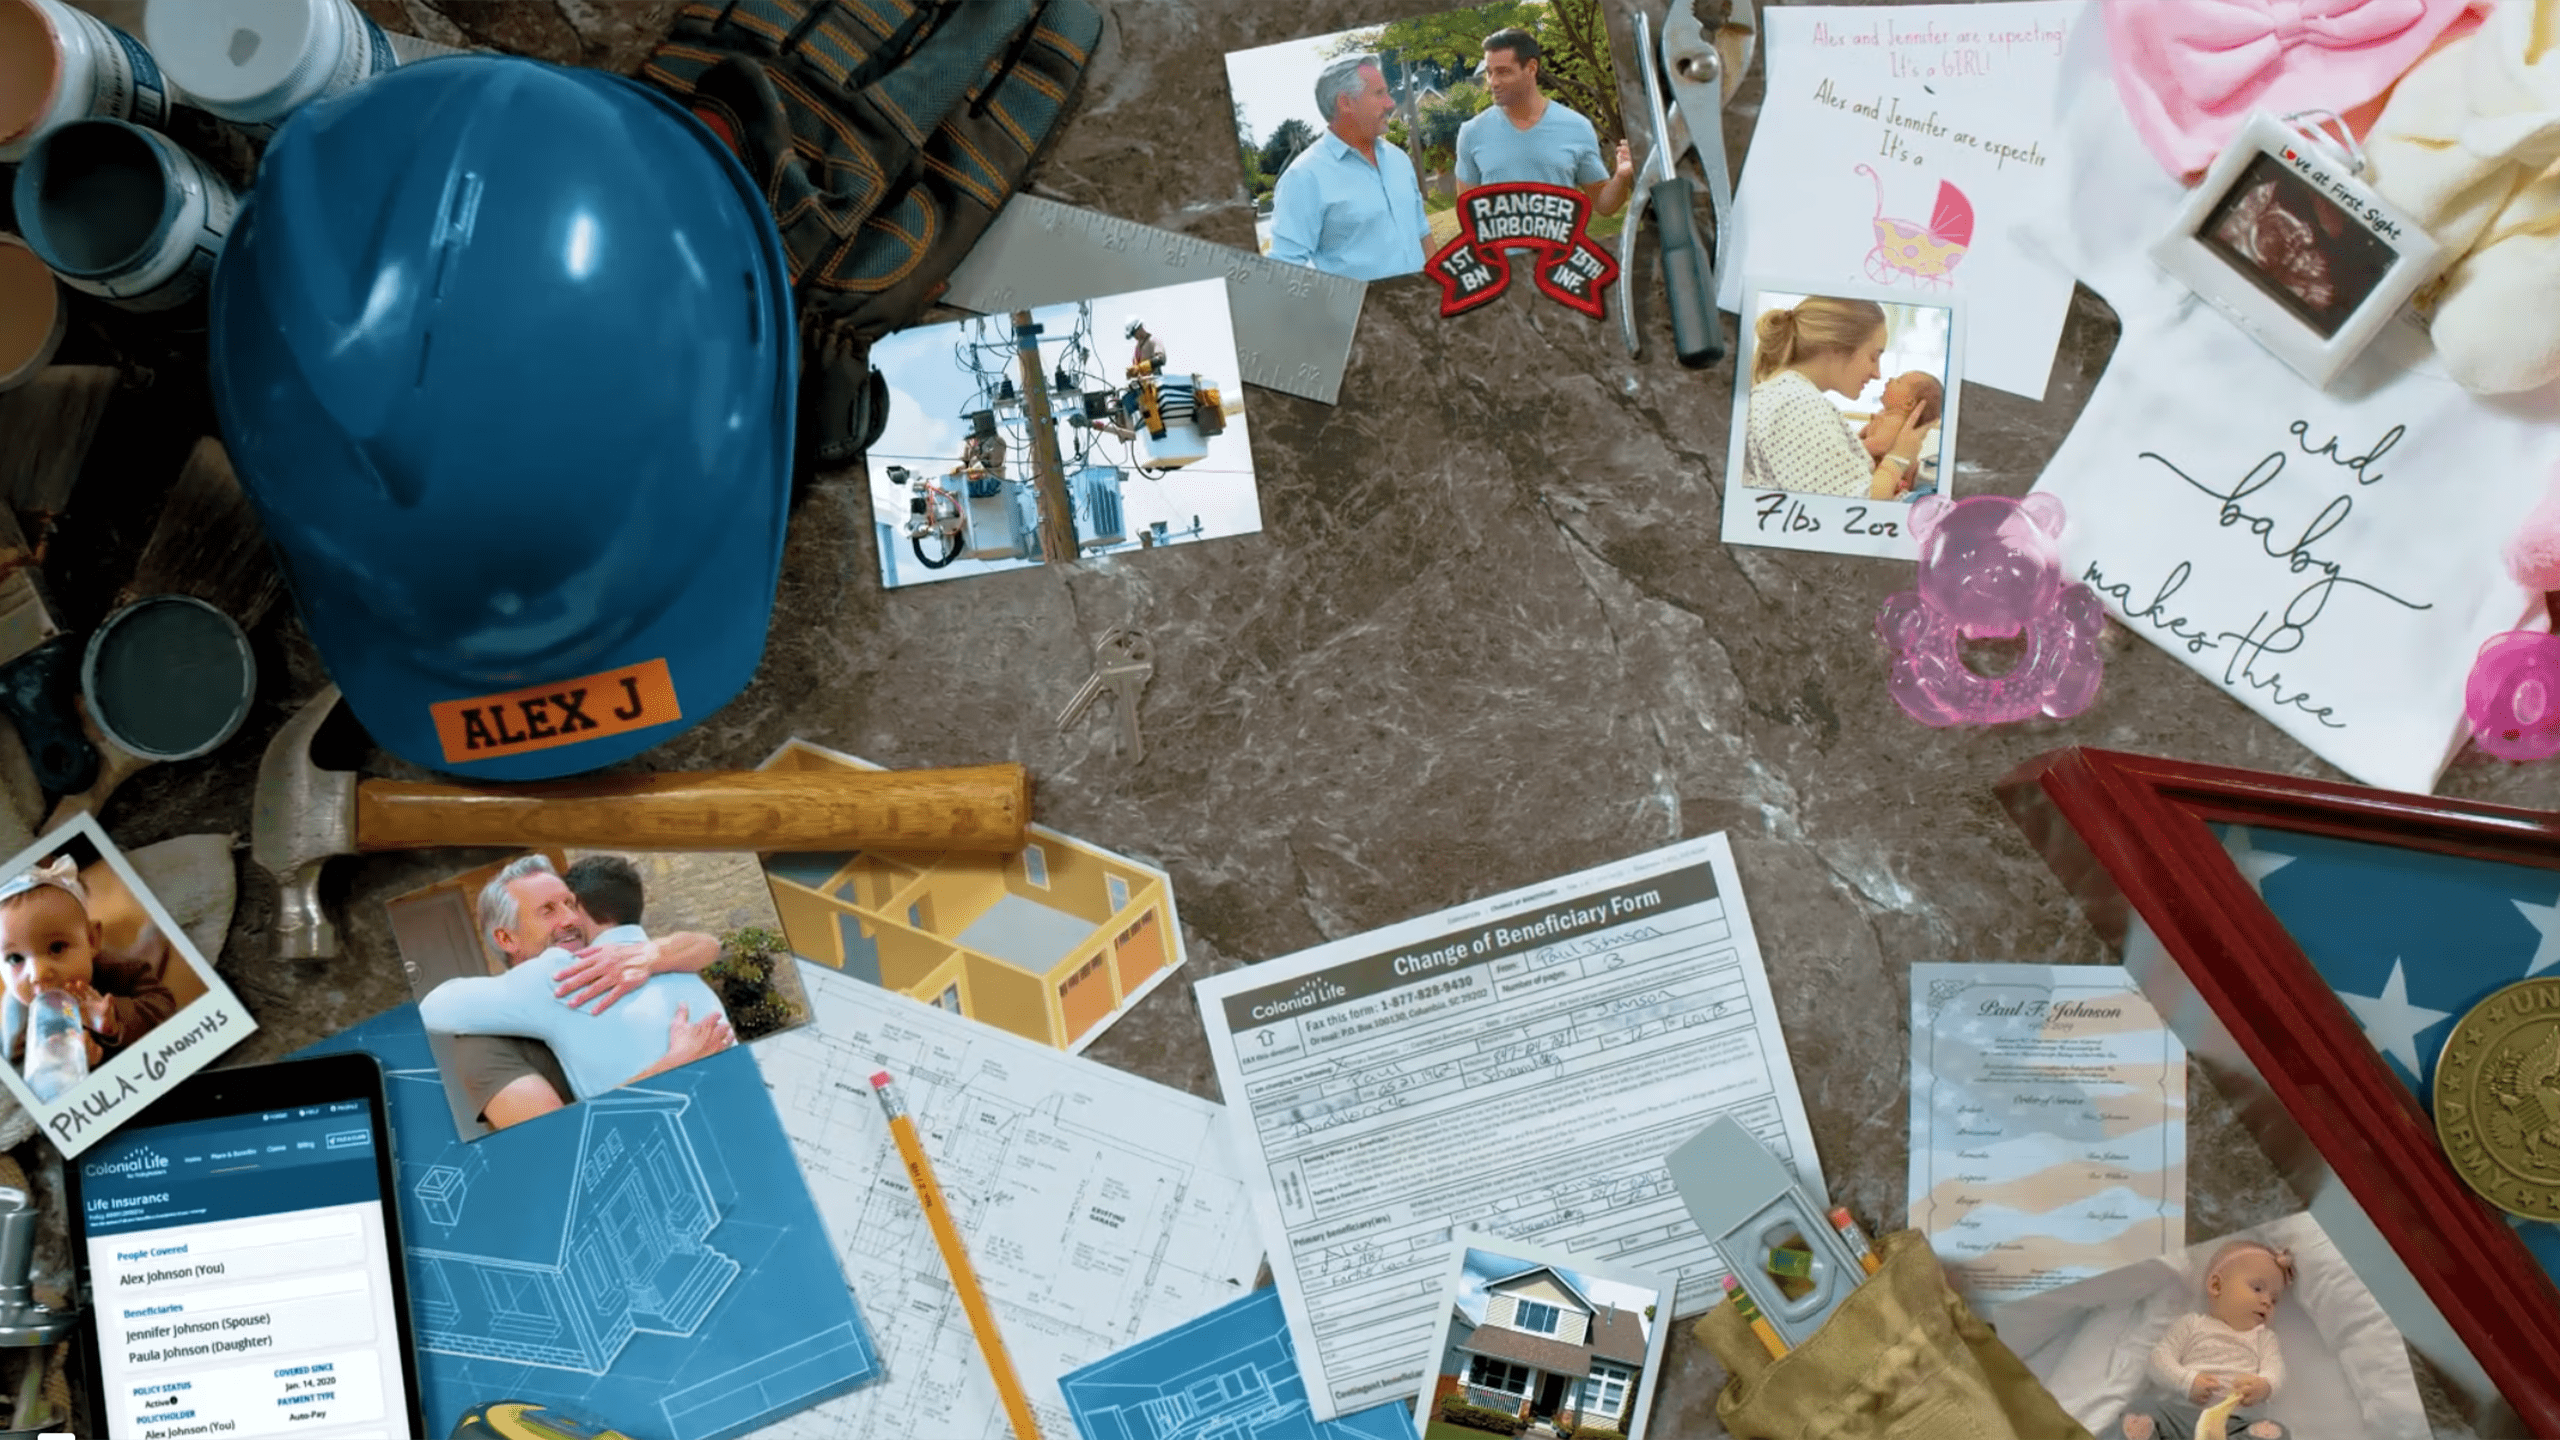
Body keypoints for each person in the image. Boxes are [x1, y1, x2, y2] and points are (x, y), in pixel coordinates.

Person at [432, 855, 735, 1131]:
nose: (571, 919)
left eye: (571, 904)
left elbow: (708, 944)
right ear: (506, 938)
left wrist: (655, 952)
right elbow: (562, 1144)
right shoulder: (481, 1045)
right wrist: (670, 1070)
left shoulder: (616, 966)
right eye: (548, 910)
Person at [1741, 296, 1928, 499]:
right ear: (1836, 347)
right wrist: (1900, 457)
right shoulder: (1799, 406)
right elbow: (1856, 511)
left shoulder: (1786, 398)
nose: (1878, 373)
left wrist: (1851, 450)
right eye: (1873, 357)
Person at [1268, 53, 1432, 281]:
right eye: (1379, 93)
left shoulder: (1399, 159)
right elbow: (1283, 271)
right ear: (1345, 103)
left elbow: (1422, 231)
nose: (1390, 103)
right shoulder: (1303, 177)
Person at [0, 857, 172, 1071]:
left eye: (56, 947)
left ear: (92, 940)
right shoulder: (17, 1018)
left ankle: (148, 944)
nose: (38, 974)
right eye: (15, 958)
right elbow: (14, 1073)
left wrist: (115, 1019)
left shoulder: (119, 970)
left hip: (146, 1063)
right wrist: (57, 1065)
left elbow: (164, 1008)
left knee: (147, 964)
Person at [1454, 28, 1635, 215]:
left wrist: (1622, 176)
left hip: (1561, 245)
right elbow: (1468, 216)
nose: (1493, 82)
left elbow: (1604, 206)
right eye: (1489, 73)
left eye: (1503, 72)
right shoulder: (1471, 133)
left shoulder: (1577, 127)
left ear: (1531, 68)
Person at [2123, 1240, 2292, 1440]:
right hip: (2182, 1417)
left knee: (2275, 1432)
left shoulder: (2264, 1337)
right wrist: (2187, 1381)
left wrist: (2264, 1386)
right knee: (2142, 1410)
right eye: (2257, 1288)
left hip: (2234, 1424)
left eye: (2274, 1300)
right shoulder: (2192, 1324)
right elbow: (2158, 1360)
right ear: (2216, 1285)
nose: (2266, 1302)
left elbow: (2276, 1370)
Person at [1859, 370, 1945, 500]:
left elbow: (1880, 446)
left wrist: (1851, 446)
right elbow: (1861, 436)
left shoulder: (1896, 422)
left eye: (1898, 381)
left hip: (1892, 480)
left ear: (1909, 404)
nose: (1890, 379)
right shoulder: (1884, 416)